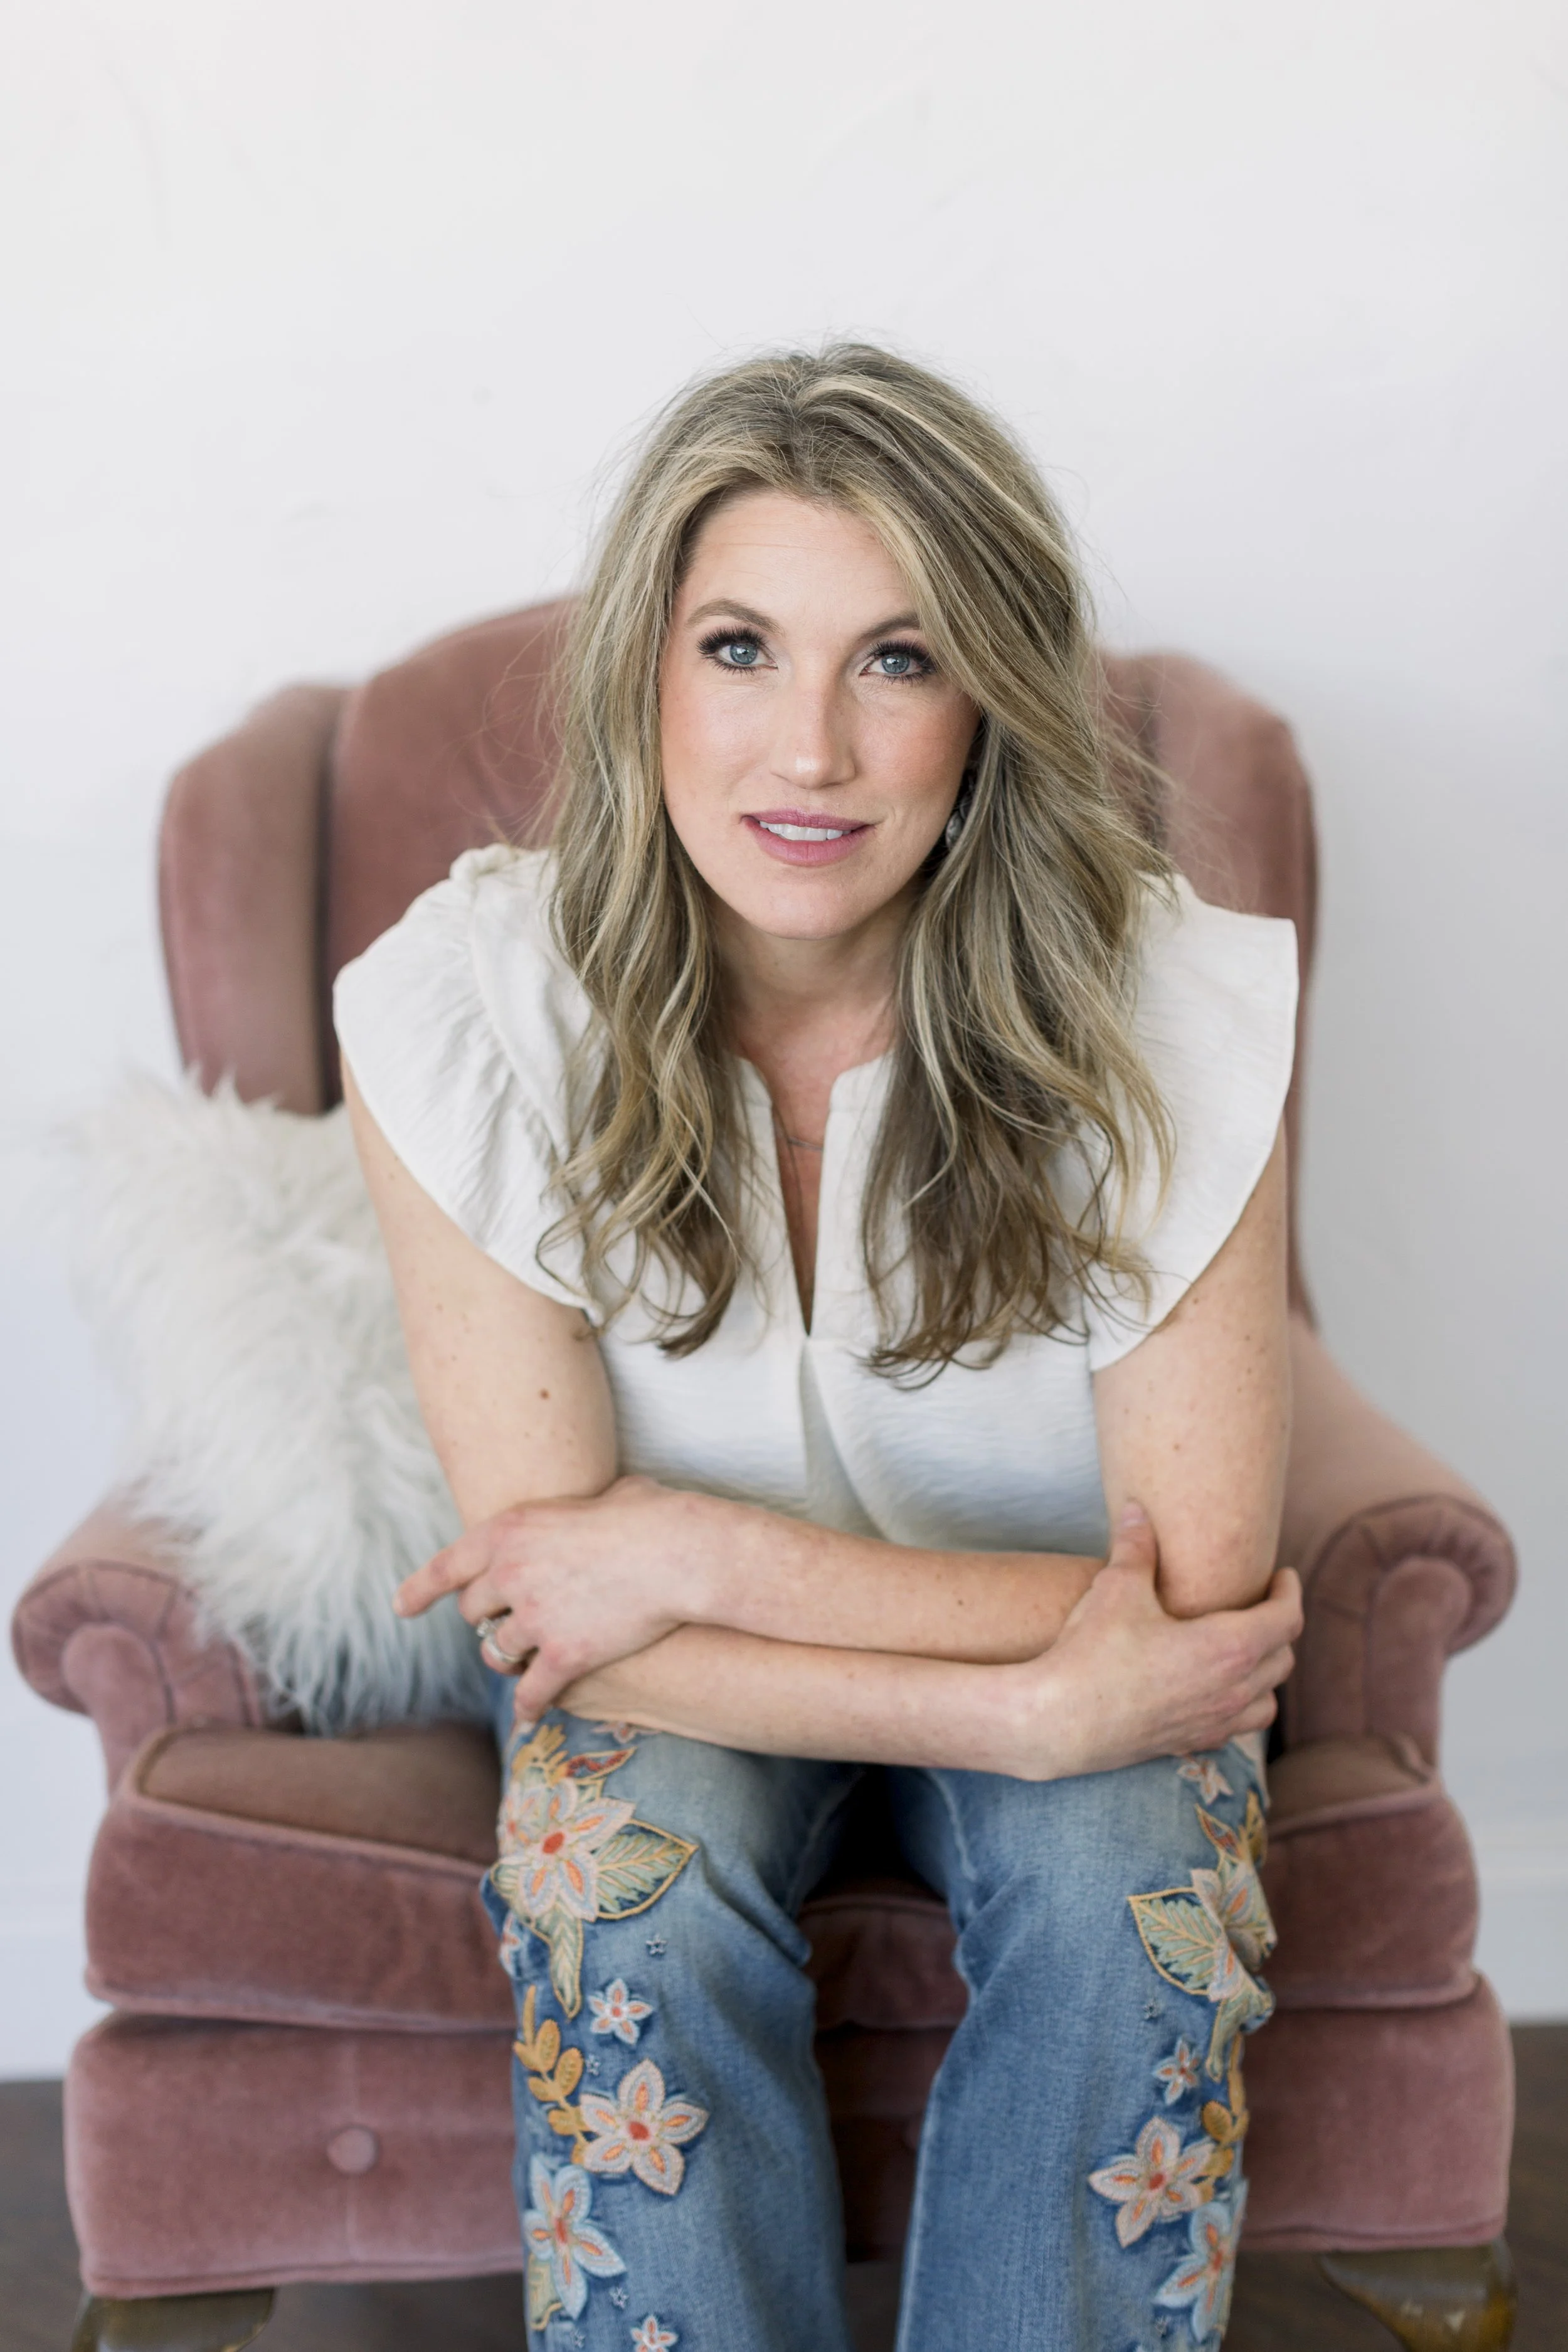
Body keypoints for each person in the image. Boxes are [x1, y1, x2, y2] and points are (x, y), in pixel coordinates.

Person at [334, 344, 1303, 2352]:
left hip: (984, 1656)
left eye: (896, 659)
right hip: (845, 1671)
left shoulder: (1168, 1006)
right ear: (645, 677)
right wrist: (1020, 1707)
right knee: (622, 1878)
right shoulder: (465, 1006)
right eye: (742, 646)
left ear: (989, 706)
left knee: (1138, 1866)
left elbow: (1193, 1614)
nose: (810, 752)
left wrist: (697, 1548)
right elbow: (554, 1606)